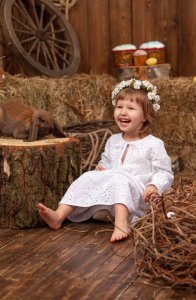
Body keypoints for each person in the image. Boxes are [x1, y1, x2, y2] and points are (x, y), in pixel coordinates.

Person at [37, 78, 174, 242]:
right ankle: (58, 216)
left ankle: (122, 224)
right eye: (119, 107)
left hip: (138, 195)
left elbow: (164, 173)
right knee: (87, 176)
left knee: (119, 179)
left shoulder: (153, 144)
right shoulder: (113, 140)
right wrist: (101, 168)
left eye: (130, 108)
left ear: (145, 116)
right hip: (113, 195)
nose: (123, 112)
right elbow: (106, 163)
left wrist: (154, 186)